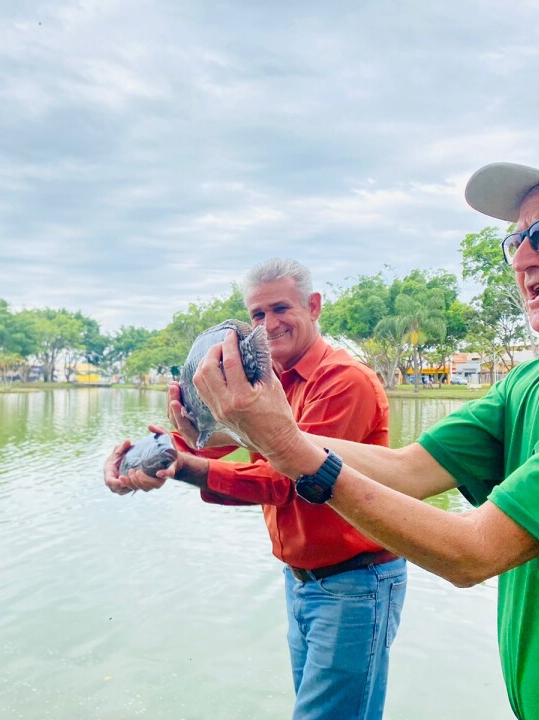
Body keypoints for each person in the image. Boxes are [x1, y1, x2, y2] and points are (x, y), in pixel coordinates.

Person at [191, 156, 539, 720]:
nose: (523, 258)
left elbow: (473, 552)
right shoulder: (533, 380)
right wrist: (256, 430)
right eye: (516, 241)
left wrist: (286, 448)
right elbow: (409, 469)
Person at [104, 258, 407, 720]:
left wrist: (186, 467)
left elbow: (292, 479)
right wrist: (147, 456)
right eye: (258, 314)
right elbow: (219, 442)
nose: (269, 324)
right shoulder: (265, 382)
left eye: (281, 308)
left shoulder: (344, 382)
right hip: (302, 580)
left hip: (355, 582)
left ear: (313, 306)